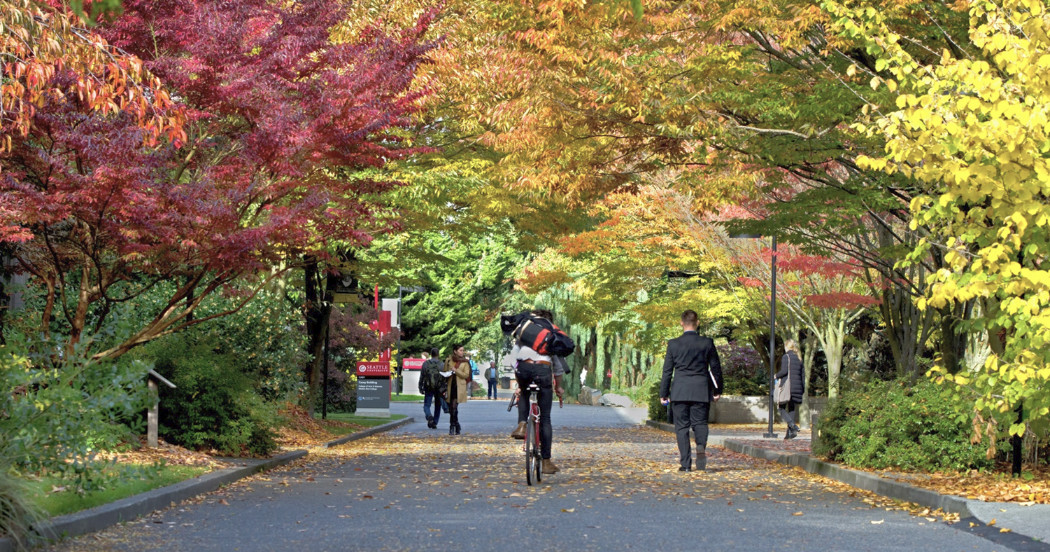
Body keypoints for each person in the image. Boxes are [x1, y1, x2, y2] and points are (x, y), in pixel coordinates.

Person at [659, 309, 723, 472]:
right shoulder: (707, 343)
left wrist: (664, 394)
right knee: (700, 423)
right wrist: (717, 390)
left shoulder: (673, 344)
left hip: (680, 390)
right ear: (698, 323)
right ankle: (700, 446)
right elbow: (715, 368)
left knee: (681, 427)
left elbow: (667, 371)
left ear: (681, 323)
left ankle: (685, 464)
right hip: (701, 390)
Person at [509, 309, 564, 475]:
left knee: (525, 392)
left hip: (523, 368)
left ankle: (521, 425)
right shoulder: (551, 336)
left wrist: (520, 382)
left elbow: (513, 360)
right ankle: (546, 462)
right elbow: (558, 368)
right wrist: (558, 387)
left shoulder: (524, 333)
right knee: (545, 418)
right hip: (543, 369)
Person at [775, 339, 804, 440]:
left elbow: (784, 371)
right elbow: (802, 376)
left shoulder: (786, 357)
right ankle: (789, 435)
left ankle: (792, 425)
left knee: (780, 407)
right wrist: (802, 389)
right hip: (798, 387)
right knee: (791, 409)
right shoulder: (799, 358)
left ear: (786, 346)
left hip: (788, 387)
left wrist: (776, 375)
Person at [445, 345, 471, 435]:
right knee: (451, 408)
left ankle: (452, 426)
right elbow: (445, 371)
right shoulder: (449, 360)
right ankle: (457, 425)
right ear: (455, 351)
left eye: (463, 350)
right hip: (450, 386)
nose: (462, 352)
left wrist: (456, 371)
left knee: (454, 406)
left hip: (459, 387)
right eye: (460, 350)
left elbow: (466, 375)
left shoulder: (465, 362)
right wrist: (447, 373)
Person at [419, 348, 446, 429]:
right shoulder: (442, 364)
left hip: (428, 386)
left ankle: (429, 416)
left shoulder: (426, 364)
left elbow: (422, 376)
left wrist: (420, 386)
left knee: (427, 405)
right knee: (438, 405)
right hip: (439, 387)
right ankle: (434, 422)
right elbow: (445, 377)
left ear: (430, 354)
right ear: (438, 354)